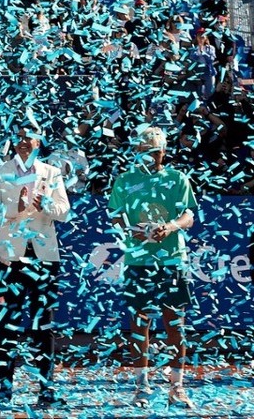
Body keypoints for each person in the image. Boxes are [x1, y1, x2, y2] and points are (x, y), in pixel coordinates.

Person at [108, 126, 196, 409]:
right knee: (139, 325)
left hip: (172, 261)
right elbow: (115, 217)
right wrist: (132, 230)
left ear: (164, 151)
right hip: (138, 261)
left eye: (157, 151)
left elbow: (188, 215)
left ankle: (177, 387)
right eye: (146, 151)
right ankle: (141, 386)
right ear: (137, 152)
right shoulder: (125, 180)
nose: (152, 156)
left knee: (175, 324)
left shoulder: (177, 178)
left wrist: (170, 227)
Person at [0, 125, 70, 408]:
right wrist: (15, 208)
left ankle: (46, 390)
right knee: (8, 323)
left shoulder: (51, 172)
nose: (23, 143)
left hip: (44, 256)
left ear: (38, 142)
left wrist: (45, 205)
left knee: (43, 326)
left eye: (28, 138)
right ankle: (3, 391)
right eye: (19, 138)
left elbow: (64, 211)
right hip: (9, 258)